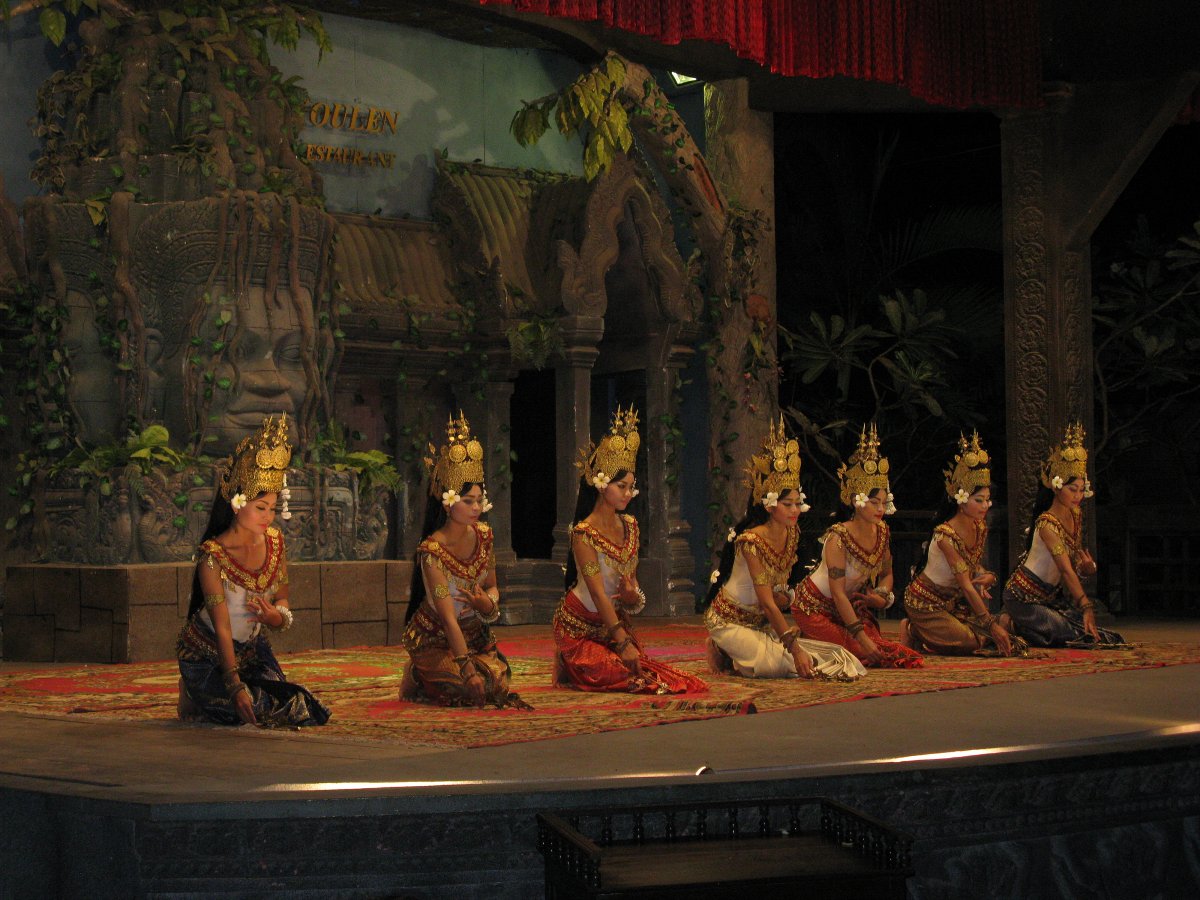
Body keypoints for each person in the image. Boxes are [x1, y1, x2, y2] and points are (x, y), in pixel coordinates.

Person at [176, 414, 330, 727]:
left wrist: (277, 617)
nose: (268, 517)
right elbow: (222, 627)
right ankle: (191, 689)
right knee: (251, 711)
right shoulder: (213, 558)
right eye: (261, 508)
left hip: (253, 652)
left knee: (300, 708)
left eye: (272, 508)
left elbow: (282, 597)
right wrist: (234, 686)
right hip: (209, 657)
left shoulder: (275, 542)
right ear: (237, 504)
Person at [553, 406, 707, 694]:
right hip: (579, 626)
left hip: (613, 624)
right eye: (621, 486)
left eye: (631, 487)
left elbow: (631, 587)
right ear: (601, 484)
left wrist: (631, 597)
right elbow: (597, 592)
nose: (628, 493)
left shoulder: (631, 526)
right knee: (621, 673)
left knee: (646, 673)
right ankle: (570, 658)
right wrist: (622, 641)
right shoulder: (584, 534)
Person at [704, 418, 866, 680]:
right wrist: (795, 649)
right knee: (778, 666)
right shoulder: (751, 542)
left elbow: (780, 592)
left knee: (837, 656)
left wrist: (785, 599)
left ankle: (743, 656)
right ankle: (721, 644)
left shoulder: (792, 534)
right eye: (787, 504)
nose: (795, 511)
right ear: (769, 505)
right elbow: (768, 604)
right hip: (729, 621)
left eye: (797, 503)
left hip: (760, 624)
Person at [400, 414, 530, 708]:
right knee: (464, 687)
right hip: (435, 638)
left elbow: (492, 586)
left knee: (495, 685)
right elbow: (447, 617)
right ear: (448, 503)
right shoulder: (432, 552)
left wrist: (488, 603)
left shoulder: (484, 536)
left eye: (479, 500)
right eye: (468, 501)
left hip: (474, 634)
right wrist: (467, 670)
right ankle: (418, 673)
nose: (476, 508)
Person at [791, 424, 924, 668]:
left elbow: (887, 574)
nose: (881, 509)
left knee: (890, 653)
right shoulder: (838, 538)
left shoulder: (882, 531)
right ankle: (803, 643)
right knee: (860, 653)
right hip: (814, 608)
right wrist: (860, 637)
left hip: (850, 609)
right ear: (856, 500)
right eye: (874, 502)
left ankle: (819, 643)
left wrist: (880, 597)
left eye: (883, 502)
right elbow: (838, 592)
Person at [1002, 422, 1125, 647]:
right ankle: (1010, 623)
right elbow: (1065, 570)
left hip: (1049, 599)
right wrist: (1086, 606)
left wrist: (1085, 569)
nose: (1077, 496)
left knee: (1105, 636)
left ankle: (1022, 626)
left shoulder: (1075, 514)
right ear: (1056, 487)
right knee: (1079, 637)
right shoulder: (1046, 524)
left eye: (1081, 490)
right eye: (1072, 489)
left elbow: (1073, 563)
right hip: (1022, 598)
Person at [903, 432, 1024, 656]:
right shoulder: (945, 536)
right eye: (979, 500)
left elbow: (973, 565)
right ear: (961, 500)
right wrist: (990, 625)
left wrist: (987, 576)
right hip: (927, 603)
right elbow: (966, 585)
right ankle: (914, 628)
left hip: (955, 602)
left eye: (987, 500)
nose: (985, 505)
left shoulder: (980, 527)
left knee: (1002, 630)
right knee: (972, 642)